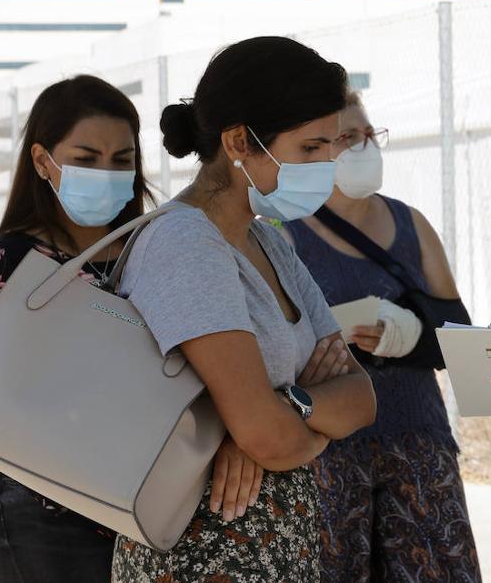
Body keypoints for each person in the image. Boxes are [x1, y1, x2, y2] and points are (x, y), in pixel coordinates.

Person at [111, 36, 377, 583]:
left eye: (332, 146)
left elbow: (361, 396)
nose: (327, 164)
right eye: (309, 148)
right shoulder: (185, 243)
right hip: (205, 553)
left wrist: (288, 405)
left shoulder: (269, 240)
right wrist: (283, 423)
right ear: (238, 141)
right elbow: (266, 436)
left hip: (276, 546)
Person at [0, 75, 153, 583]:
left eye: (121, 160)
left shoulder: (152, 252)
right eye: (85, 159)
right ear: (43, 161)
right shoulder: (11, 259)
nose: (106, 173)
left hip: (146, 511)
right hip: (38, 517)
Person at [279, 92, 481, 583]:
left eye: (368, 134)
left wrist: (410, 336)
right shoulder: (281, 234)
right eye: (346, 138)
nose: (362, 146)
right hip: (330, 450)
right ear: (314, 148)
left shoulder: (412, 224)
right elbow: (274, 349)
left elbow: (460, 336)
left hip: (417, 441)